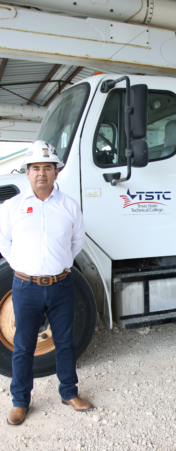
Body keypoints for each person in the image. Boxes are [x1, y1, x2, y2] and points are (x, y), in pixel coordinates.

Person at [0, 140, 92, 426]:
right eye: (36, 168)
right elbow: (4, 243)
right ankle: (20, 402)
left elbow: (77, 241)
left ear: (56, 173)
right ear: (27, 173)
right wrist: (24, 268)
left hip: (61, 285)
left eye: (47, 168)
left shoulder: (69, 206)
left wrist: (58, 265)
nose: (42, 173)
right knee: (24, 345)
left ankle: (69, 393)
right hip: (25, 287)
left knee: (65, 342)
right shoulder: (12, 206)